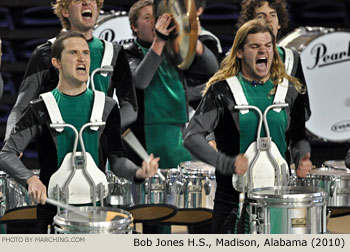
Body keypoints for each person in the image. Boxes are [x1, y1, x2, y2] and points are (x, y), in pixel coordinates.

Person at [0, 31, 159, 234]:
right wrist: (30, 179)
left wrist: (138, 172)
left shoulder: (108, 107)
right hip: (52, 214)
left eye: (85, 52)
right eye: (73, 53)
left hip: (97, 212)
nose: (82, 58)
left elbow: (117, 160)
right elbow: (6, 154)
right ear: (56, 62)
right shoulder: (40, 107)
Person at [183, 20, 312, 234]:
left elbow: (298, 138)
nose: (263, 50)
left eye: (268, 45)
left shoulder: (290, 91)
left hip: (277, 201)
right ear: (240, 52)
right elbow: (192, 136)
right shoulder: (222, 91)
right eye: (255, 46)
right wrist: (225, 162)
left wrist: (302, 157)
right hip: (232, 202)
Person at [124, 0, 218, 233]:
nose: (156, 22)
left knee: (197, 208)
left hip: (181, 131)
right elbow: (140, 81)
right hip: (150, 136)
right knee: (158, 213)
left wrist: (191, 39)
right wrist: (159, 41)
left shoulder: (173, 49)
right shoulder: (127, 52)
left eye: (157, 17)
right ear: (134, 27)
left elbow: (212, 69)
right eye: (147, 18)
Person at [4, 0, 137, 141]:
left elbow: (130, 108)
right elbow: (21, 107)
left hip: (101, 153)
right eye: (78, 0)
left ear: (98, 10)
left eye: (92, 0)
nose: (87, 3)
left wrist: (103, 129)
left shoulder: (114, 53)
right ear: (65, 11)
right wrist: (11, 140)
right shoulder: (46, 52)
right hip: (56, 149)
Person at [237, 0, 311, 120]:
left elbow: (304, 108)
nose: (268, 19)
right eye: (261, 16)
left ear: (279, 23)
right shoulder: (237, 57)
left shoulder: (292, 58)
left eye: (273, 15)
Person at [186, 0, 222, 110]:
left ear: (199, 10)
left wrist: (184, 95)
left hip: (200, 108)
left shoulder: (209, 40)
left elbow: (215, 81)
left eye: (185, 7)